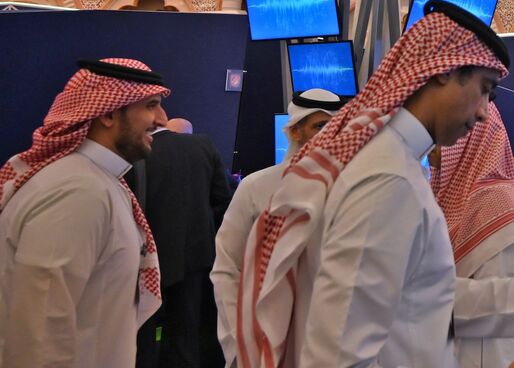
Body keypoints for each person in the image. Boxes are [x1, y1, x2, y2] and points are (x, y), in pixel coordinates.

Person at [235, 1, 514, 368]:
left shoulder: (392, 161)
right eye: (483, 89)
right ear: (443, 71)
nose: (482, 112)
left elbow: (412, 298)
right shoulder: (384, 175)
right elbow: (339, 350)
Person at [0, 58, 167, 368]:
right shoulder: (76, 190)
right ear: (108, 113)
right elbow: (41, 332)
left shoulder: (97, 181)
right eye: (151, 105)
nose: (162, 120)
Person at [213, 89, 344, 367]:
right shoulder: (256, 187)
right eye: (321, 126)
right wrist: (238, 344)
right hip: (263, 340)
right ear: (295, 132)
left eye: (337, 126)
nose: (330, 135)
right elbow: (227, 268)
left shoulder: (349, 190)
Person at [427, 103, 514, 368]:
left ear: (469, 141)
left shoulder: (496, 200)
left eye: (442, 135)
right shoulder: (458, 192)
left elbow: (495, 319)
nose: (431, 145)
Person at [130, 114, 231, 368]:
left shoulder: (131, 152)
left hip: (143, 259)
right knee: (185, 334)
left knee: (141, 333)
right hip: (193, 256)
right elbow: (222, 201)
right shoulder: (202, 145)